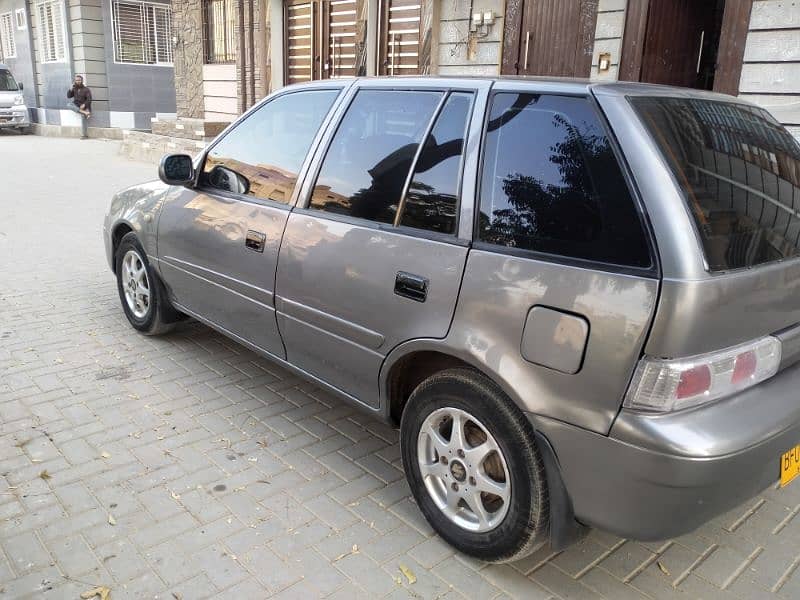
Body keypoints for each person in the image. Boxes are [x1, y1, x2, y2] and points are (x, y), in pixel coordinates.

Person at [67, 75, 92, 139]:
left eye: (79, 80)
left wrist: (84, 104)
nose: (78, 81)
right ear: (75, 81)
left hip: (84, 106)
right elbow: (69, 96)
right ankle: (85, 112)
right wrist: (70, 89)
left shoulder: (86, 89)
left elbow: (89, 99)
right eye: (76, 80)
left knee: (83, 117)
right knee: (68, 105)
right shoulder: (74, 88)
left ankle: (84, 135)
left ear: (82, 81)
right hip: (77, 105)